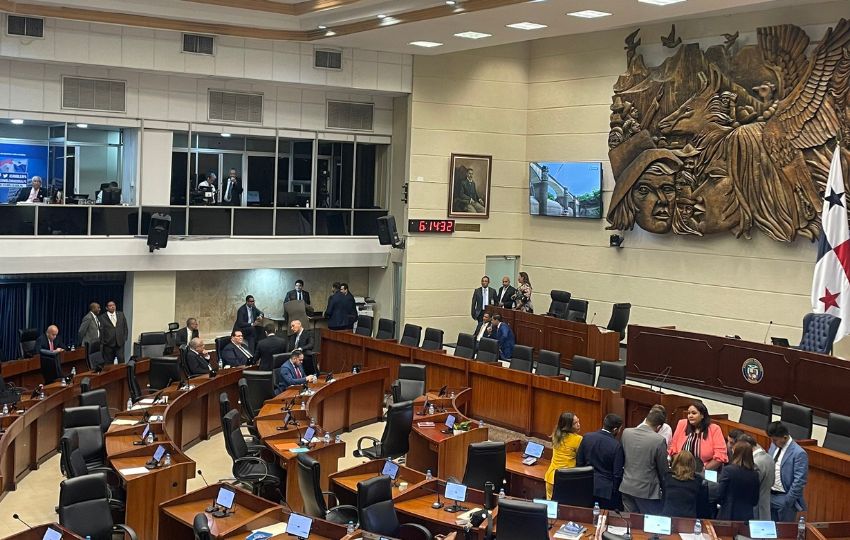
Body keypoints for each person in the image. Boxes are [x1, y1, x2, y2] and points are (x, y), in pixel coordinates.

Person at [620, 408, 668, 514]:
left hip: (627, 486)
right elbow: (663, 470)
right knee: (648, 525)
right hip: (647, 492)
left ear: (646, 419)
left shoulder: (626, 433)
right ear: (659, 427)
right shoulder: (659, 440)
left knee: (630, 524)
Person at [576, 413, 625, 509]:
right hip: (605, 491)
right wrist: (614, 492)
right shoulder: (616, 446)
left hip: (586, 486)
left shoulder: (587, 437)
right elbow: (617, 474)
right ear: (615, 429)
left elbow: (579, 462)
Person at [766, 421, 808, 522]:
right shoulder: (773, 446)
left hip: (784, 497)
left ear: (785, 437)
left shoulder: (799, 453)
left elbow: (799, 481)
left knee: (784, 533)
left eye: (775, 440)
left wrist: (788, 501)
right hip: (769, 495)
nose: (773, 442)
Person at [669, 402, 728, 471]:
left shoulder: (714, 429)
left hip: (704, 471)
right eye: (689, 413)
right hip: (681, 469)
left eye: (694, 413)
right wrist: (680, 466)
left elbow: (720, 456)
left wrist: (703, 469)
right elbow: (673, 448)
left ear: (702, 415)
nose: (690, 416)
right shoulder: (682, 424)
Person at [717, 441, 760, 520]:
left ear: (735, 453)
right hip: (747, 516)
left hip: (728, 514)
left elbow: (719, 494)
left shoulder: (728, 470)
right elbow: (755, 500)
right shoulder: (755, 474)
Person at [544, 412, 583, 499]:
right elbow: (580, 458)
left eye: (578, 421)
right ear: (568, 426)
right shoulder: (578, 439)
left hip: (551, 478)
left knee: (551, 507)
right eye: (575, 423)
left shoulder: (555, 435)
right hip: (566, 479)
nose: (578, 425)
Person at [737, 433, 775, 520]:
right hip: (765, 506)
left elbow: (751, 488)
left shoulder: (754, 463)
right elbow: (772, 483)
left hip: (755, 509)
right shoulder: (769, 458)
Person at [662, 450, 706, 518]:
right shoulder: (698, 480)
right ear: (693, 464)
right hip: (689, 519)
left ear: (675, 462)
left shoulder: (667, 477)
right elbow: (701, 505)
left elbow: (664, 498)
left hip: (668, 516)